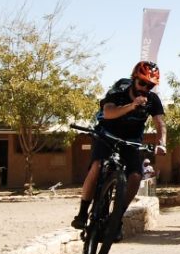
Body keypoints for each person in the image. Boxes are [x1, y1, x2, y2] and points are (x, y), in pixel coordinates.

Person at [71, 60, 168, 234]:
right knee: (98, 165)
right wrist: (132, 106)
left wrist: (162, 143)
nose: (145, 88)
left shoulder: (153, 100)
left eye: (150, 86)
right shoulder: (120, 88)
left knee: (136, 176)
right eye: (142, 83)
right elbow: (108, 112)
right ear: (134, 79)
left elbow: (160, 123)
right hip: (107, 134)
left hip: (131, 140)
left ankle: (116, 218)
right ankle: (83, 212)